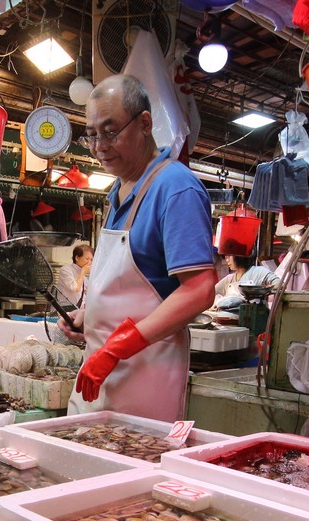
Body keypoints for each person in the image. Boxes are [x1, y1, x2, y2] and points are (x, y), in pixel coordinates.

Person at [59, 74, 216, 422]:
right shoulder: (118, 192)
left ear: (145, 123)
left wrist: (116, 348)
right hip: (99, 372)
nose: (100, 145)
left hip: (145, 380)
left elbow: (199, 290)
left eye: (111, 131)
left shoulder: (175, 188)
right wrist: (89, 315)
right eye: (92, 134)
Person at [56, 243, 93, 310]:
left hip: (78, 310)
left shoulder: (84, 277)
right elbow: (75, 288)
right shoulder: (66, 269)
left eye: (91, 260)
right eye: (87, 259)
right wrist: (83, 271)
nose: (89, 262)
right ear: (77, 258)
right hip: (65, 310)